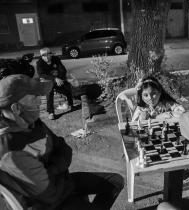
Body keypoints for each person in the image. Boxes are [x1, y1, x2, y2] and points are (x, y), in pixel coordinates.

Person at [0, 74, 124, 210]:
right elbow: (49, 194)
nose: (40, 102)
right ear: (16, 108)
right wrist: (59, 164)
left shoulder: (31, 121)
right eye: (35, 97)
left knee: (115, 182)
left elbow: (64, 148)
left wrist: (51, 169)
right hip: (50, 203)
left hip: (63, 184)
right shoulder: (10, 150)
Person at [36, 47, 74, 120]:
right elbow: (41, 74)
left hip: (58, 79)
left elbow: (63, 70)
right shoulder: (39, 63)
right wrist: (55, 79)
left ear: (51, 54)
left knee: (67, 87)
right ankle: (51, 112)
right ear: (41, 56)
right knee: (49, 92)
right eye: (43, 55)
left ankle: (71, 104)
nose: (46, 57)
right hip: (48, 81)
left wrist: (60, 78)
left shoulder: (56, 59)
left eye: (47, 54)